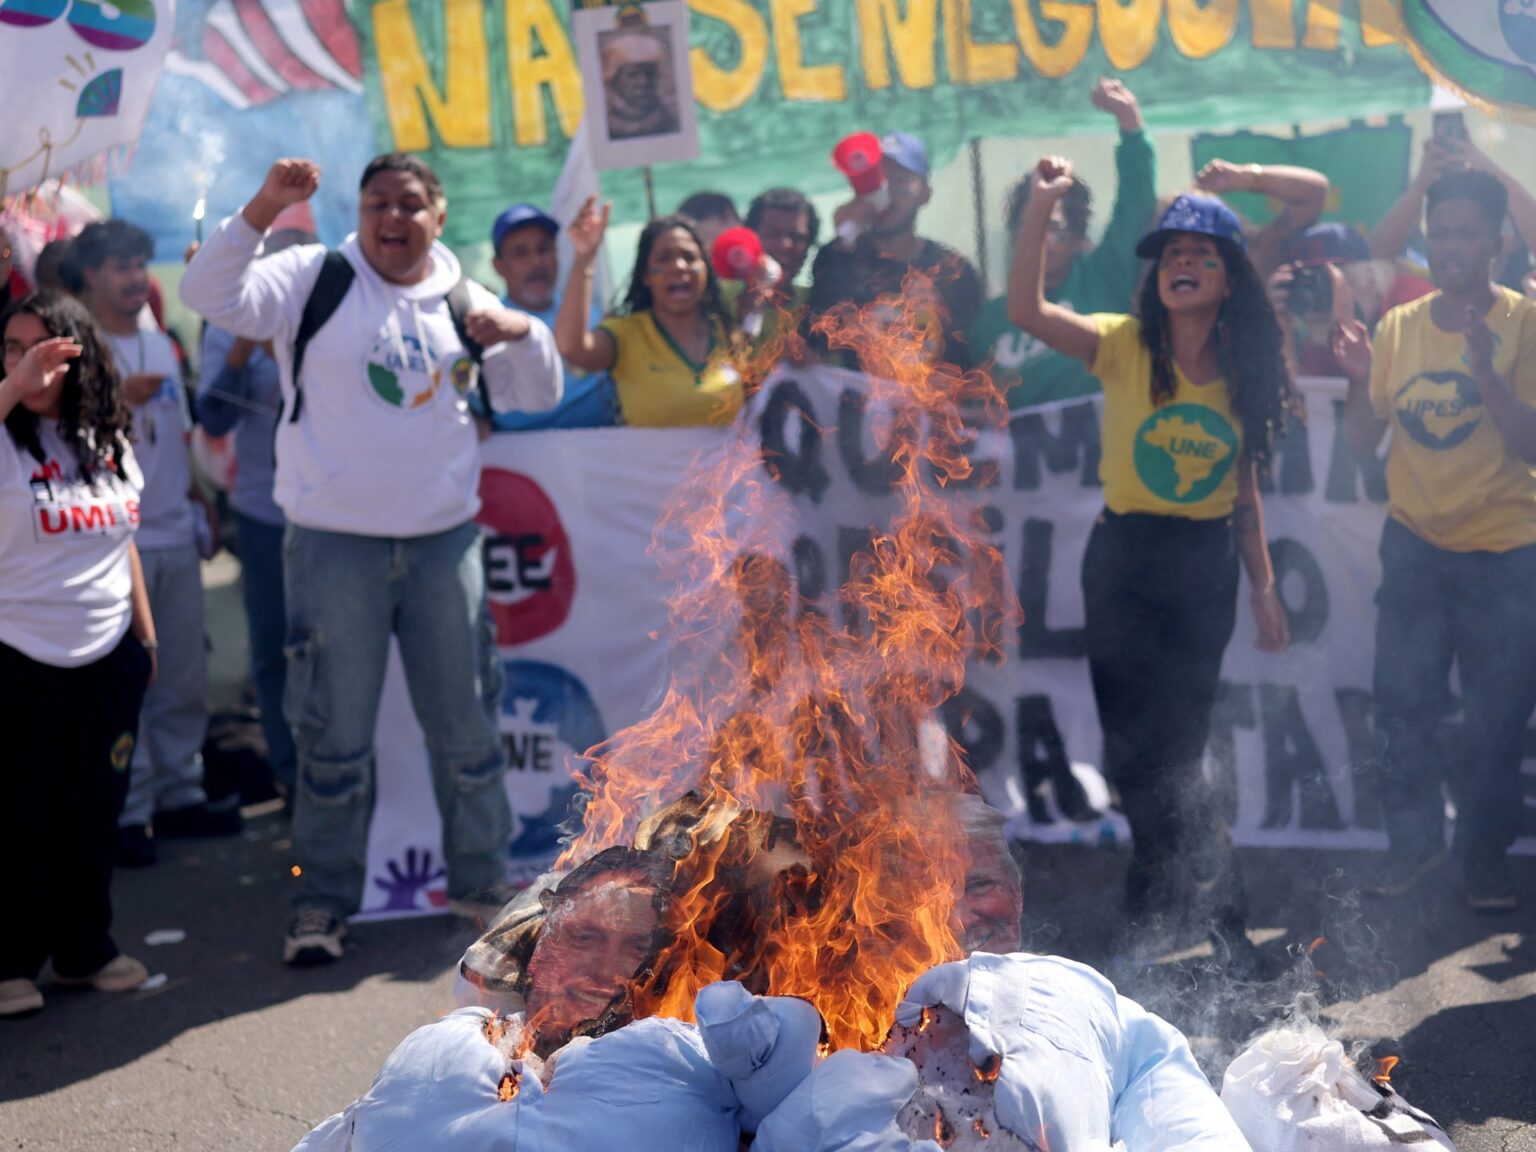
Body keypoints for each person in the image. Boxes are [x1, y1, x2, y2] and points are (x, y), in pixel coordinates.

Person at [180, 153, 564, 965]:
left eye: (411, 204)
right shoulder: (309, 277)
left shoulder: (465, 299)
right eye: (378, 203)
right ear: (359, 213)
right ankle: (321, 898)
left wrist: (523, 331)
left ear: (440, 214)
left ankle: (483, 884)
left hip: (443, 546)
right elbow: (206, 296)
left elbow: (537, 393)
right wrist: (262, 205)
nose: (394, 218)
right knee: (332, 734)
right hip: (331, 548)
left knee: (465, 728)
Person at [1008, 163, 1293, 956]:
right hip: (1124, 560)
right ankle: (1163, 887)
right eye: (1169, 255)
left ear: (1229, 276)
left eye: (1200, 255)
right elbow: (1025, 309)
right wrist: (1041, 205)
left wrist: (1265, 587)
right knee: (1132, 748)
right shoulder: (1122, 344)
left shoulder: (1245, 370)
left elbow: (1245, 494)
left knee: (1184, 750)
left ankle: (1217, 910)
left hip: (1203, 568)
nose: (1182, 265)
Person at [1334, 168, 1536, 913]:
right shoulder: (1399, 327)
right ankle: (1415, 855)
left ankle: (1481, 863)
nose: (1451, 245)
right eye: (1440, 231)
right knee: (1404, 710)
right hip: (1415, 549)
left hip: (1508, 555)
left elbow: (1530, 445)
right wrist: (1359, 378)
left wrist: (1488, 373)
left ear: (1497, 241)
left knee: (1496, 720)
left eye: (1467, 232)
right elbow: (1362, 442)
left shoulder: (1526, 321)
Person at [0, 292, 155, 1017]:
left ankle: (83, 949)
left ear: (78, 353)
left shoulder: (107, 438)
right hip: (20, 652)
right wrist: (13, 387)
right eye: (10, 348)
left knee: (95, 809)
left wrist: (145, 635)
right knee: (21, 813)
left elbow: (122, 540)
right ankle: (10, 960)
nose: (27, 361)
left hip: (109, 652)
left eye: (42, 348)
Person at [73, 219, 237, 867]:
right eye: (121, 266)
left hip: (174, 529)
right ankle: (130, 811)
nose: (137, 277)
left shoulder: (160, 341)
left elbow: (177, 436)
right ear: (91, 276)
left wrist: (200, 501)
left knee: (183, 680)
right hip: (115, 545)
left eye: (141, 264)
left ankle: (181, 793)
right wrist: (112, 395)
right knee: (128, 684)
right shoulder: (78, 346)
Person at [194, 207, 317, 806]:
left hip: (333, 517)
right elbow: (213, 416)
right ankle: (291, 777)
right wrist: (245, 341)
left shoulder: (337, 313)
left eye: (305, 247)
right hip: (266, 516)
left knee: (337, 651)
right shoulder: (228, 323)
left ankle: (344, 780)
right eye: (283, 248)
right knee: (273, 650)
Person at [970, 78, 1157, 411]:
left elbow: (1136, 203)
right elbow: (974, 408)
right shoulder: (989, 321)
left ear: (1078, 239)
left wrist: (1130, 124)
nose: (1040, 236)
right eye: (1029, 224)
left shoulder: (1104, 277)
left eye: (1052, 225)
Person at [556, 197, 742, 428]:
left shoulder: (728, 332)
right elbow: (571, 348)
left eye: (689, 257)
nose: (679, 267)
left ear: (706, 269)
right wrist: (584, 258)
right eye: (664, 258)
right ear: (645, 275)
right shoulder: (624, 335)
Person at [806, 130, 984, 370]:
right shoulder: (838, 257)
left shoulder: (952, 268)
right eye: (878, 182)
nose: (886, 194)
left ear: (924, 194)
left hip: (934, 403)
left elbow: (972, 356)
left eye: (899, 181)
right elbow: (813, 345)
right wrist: (845, 242)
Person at [484, 202, 617, 430]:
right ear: (498, 266)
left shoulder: (591, 313)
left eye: (543, 249)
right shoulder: (487, 327)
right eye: (520, 253)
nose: (536, 262)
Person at [723, 187, 820, 348]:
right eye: (772, 234)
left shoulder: (818, 306)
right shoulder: (719, 300)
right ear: (749, 239)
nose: (785, 246)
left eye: (797, 237)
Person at [602, 28, 679, 141]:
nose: (643, 82)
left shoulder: (668, 121)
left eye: (649, 73)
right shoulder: (602, 126)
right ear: (614, 80)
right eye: (633, 75)